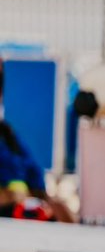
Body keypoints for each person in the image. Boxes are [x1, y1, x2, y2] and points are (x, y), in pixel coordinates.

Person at [0, 57, 74, 222]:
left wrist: (54, 207)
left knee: (61, 209)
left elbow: (38, 188)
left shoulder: (9, 137)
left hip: (22, 222)